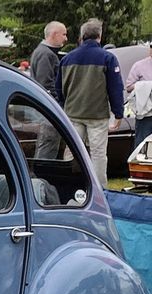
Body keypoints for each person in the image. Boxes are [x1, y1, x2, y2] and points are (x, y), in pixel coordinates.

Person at [57, 19, 124, 183]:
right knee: (98, 153)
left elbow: (58, 88)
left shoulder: (67, 59)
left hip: (72, 112)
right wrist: (118, 113)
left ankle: (70, 185)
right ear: (99, 36)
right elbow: (115, 89)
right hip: (97, 115)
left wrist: (64, 105)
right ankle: (100, 190)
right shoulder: (107, 58)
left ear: (82, 36)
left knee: (72, 150)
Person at [30, 21, 67, 158]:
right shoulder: (46, 55)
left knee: (48, 143)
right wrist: (57, 105)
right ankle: (43, 174)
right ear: (54, 34)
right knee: (48, 142)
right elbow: (45, 83)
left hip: (45, 106)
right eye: (64, 34)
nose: (66, 38)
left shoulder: (43, 52)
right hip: (48, 108)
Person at [126, 46, 152, 149]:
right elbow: (128, 87)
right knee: (142, 147)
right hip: (144, 115)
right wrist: (145, 86)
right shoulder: (139, 65)